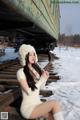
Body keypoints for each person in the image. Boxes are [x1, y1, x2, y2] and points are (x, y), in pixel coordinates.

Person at [17, 44, 64, 120]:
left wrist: (45, 79)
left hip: (37, 104)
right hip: (28, 108)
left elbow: (41, 88)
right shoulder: (21, 72)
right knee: (54, 103)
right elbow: (29, 92)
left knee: (52, 117)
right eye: (30, 55)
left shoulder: (35, 70)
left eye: (34, 54)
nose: (33, 57)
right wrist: (41, 79)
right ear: (24, 56)